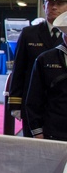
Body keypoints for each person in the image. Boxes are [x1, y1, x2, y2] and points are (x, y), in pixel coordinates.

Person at [7, 0, 67, 136]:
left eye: (60, 3)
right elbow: (19, 68)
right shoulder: (29, 34)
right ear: (44, 5)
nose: (54, 7)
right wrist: (15, 103)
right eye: (50, 2)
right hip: (32, 102)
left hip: (60, 105)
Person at [25, 11, 67, 141]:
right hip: (53, 131)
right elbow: (34, 99)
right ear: (64, 36)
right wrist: (37, 131)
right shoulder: (45, 59)